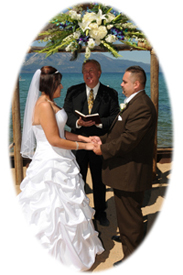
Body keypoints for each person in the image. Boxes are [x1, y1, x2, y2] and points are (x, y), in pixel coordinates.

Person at [17, 66, 104, 271]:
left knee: (67, 210)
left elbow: (62, 132)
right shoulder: (44, 105)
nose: (62, 86)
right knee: (52, 211)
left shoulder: (50, 103)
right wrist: (85, 147)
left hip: (61, 160)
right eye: (59, 82)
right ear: (51, 84)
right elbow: (55, 140)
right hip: (51, 165)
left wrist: (83, 136)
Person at [91, 66, 157, 264]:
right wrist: (102, 139)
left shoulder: (143, 107)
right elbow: (118, 132)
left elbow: (129, 140)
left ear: (136, 84)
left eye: (124, 82)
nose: (121, 84)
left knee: (130, 217)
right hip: (124, 171)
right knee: (126, 214)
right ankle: (130, 239)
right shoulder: (134, 102)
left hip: (131, 172)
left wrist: (104, 150)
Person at [63, 59, 120, 226]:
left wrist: (99, 122)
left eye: (91, 70)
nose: (88, 74)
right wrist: (78, 123)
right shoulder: (73, 91)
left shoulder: (111, 94)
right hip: (78, 143)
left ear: (99, 72)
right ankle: (79, 212)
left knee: (99, 180)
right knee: (77, 178)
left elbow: (115, 117)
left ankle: (101, 212)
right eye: (85, 71)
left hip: (98, 143)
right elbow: (66, 113)